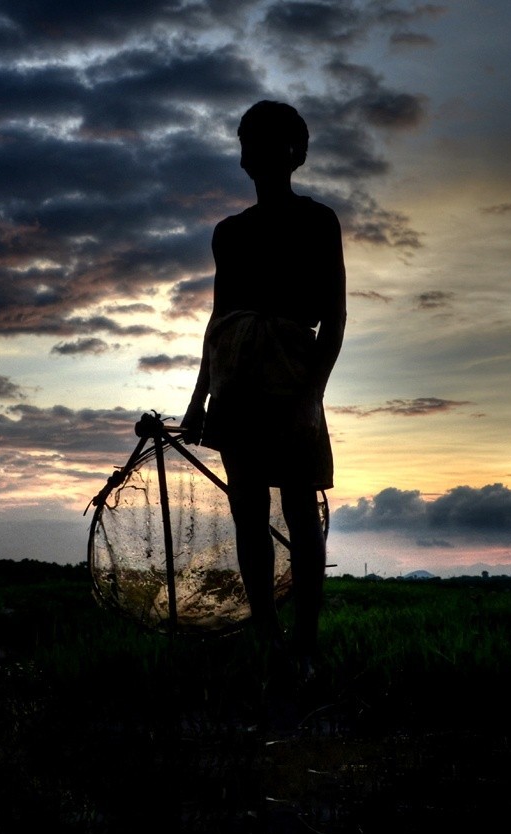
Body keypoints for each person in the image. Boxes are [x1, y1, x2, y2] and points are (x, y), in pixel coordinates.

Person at [181, 100, 346, 673]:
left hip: (292, 375)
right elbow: (218, 318)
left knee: (300, 507)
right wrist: (198, 397)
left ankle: (305, 641)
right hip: (235, 377)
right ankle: (268, 636)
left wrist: (310, 398)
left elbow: (335, 318)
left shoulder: (318, 221)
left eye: (269, 142)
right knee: (247, 509)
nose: (255, 152)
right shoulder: (229, 233)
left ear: (294, 153)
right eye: (247, 141)